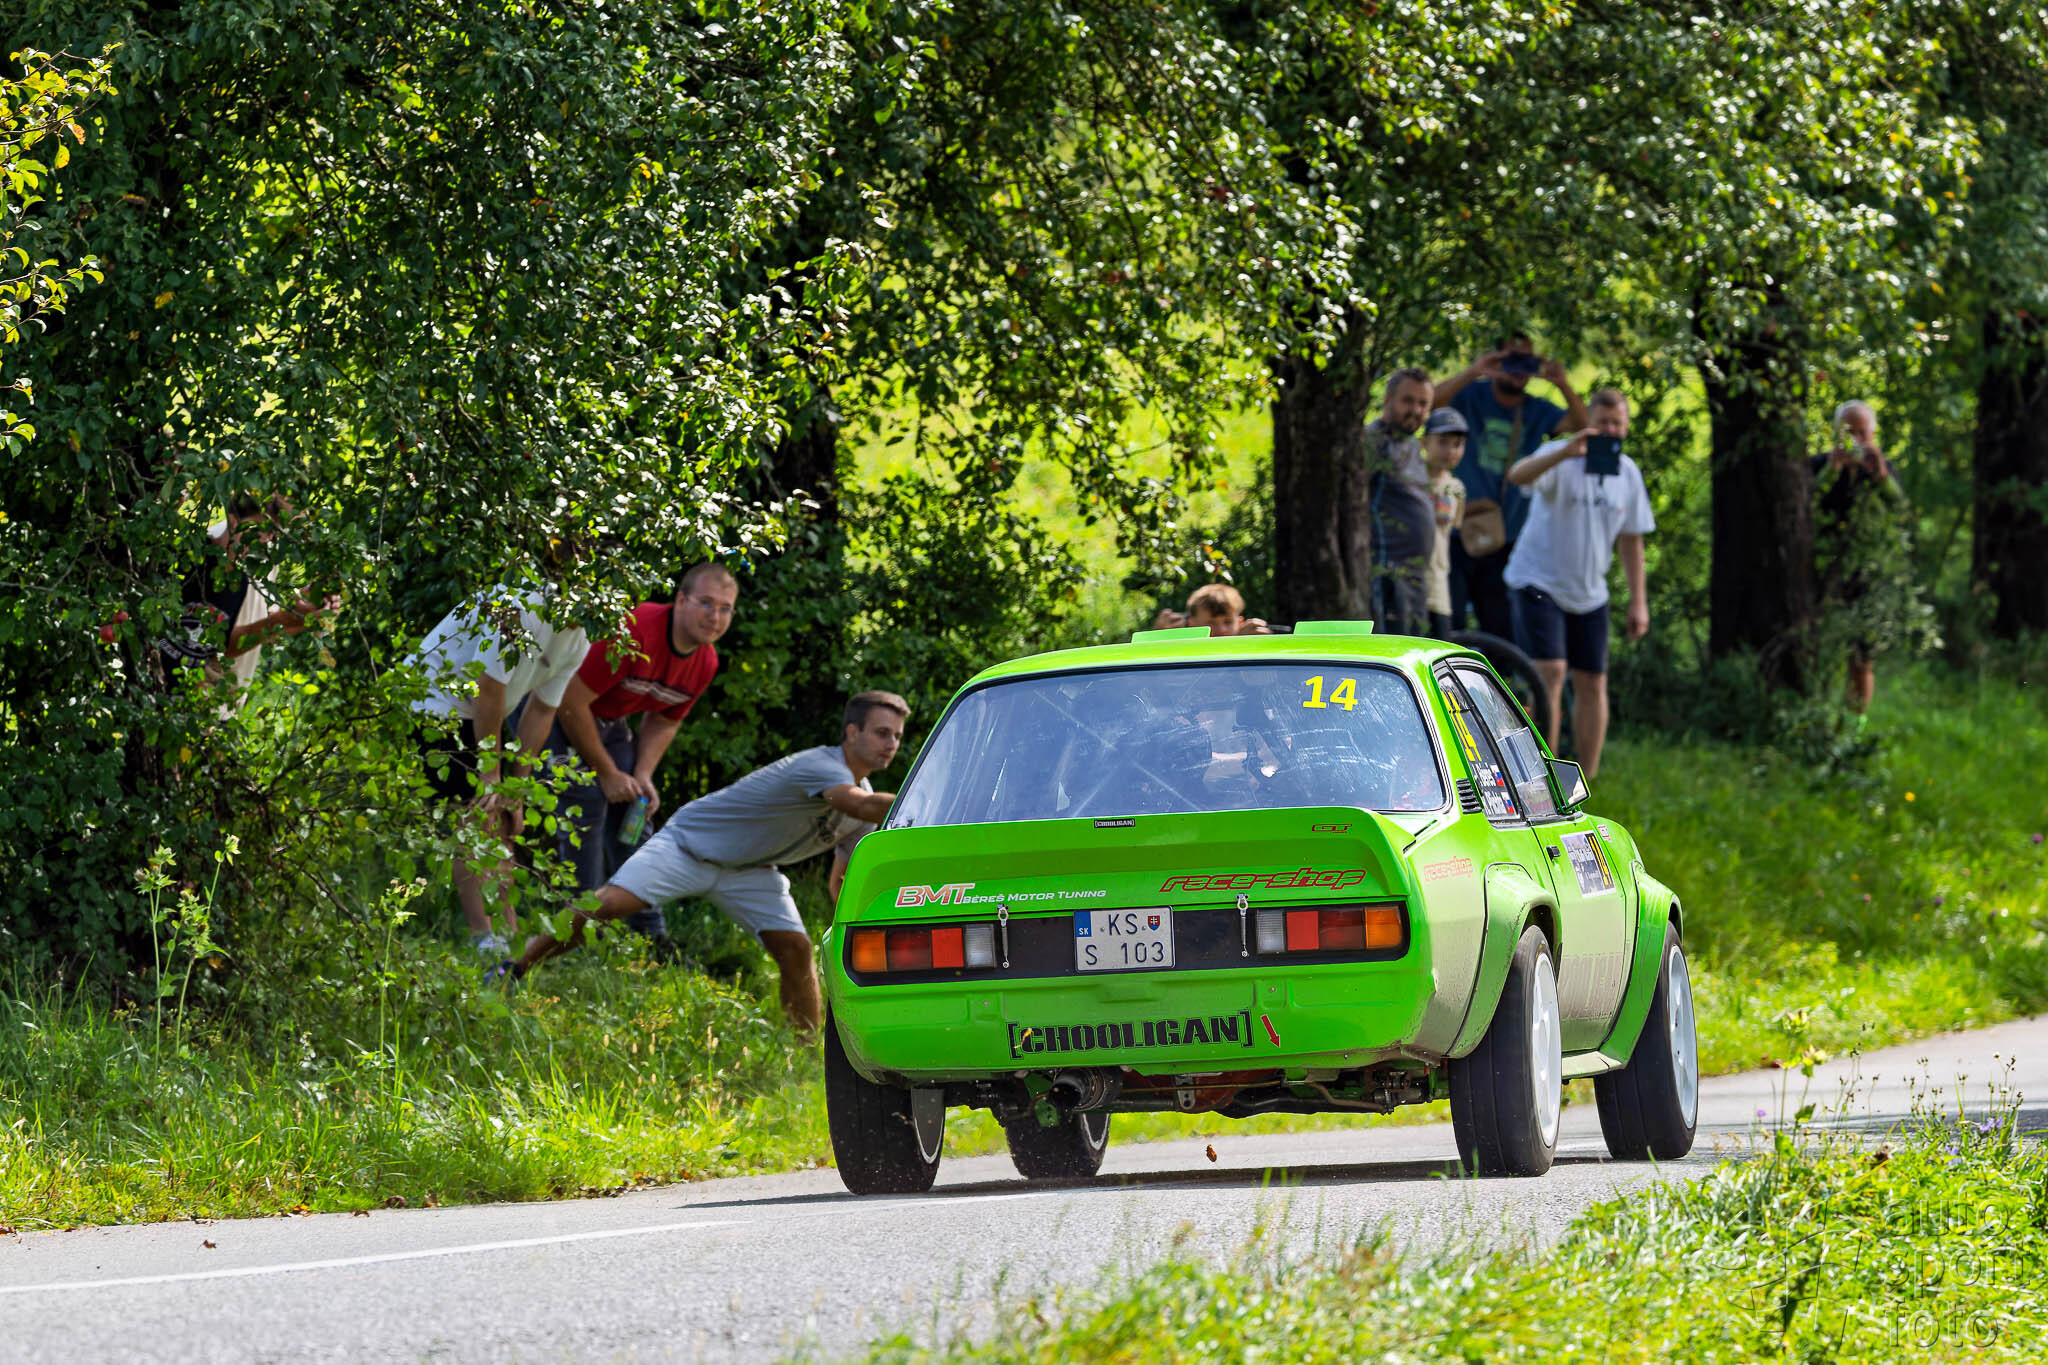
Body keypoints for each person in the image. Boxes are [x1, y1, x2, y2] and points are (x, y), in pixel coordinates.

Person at [505, 691, 910, 1034]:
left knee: (796, 949)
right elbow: (857, 804)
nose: (891, 743)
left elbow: (841, 883)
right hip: (688, 846)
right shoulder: (822, 766)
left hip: (752, 871)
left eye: (896, 736)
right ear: (851, 732)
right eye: (881, 732)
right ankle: (513, 969)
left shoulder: (867, 802)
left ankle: (805, 1050)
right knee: (608, 904)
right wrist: (919, 804)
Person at [547, 562, 738, 943]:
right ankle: (574, 932)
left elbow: (665, 720)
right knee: (586, 802)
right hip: (552, 709)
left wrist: (643, 773)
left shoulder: (706, 661)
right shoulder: (636, 631)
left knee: (636, 809)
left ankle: (649, 935)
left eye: (725, 608)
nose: (714, 617)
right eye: (705, 603)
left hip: (609, 720)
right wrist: (607, 773)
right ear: (680, 600)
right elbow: (570, 701)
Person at [410, 583, 592, 958]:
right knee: (477, 818)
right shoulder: (523, 607)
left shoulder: (583, 637)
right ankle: (485, 940)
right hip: (435, 700)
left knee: (502, 820)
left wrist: (516, 790)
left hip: (478, 708)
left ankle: (507, 937)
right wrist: (490, 775)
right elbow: (488, 689)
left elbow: (542, 709)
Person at [1501, 388, 1654, 780]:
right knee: (1550, 672)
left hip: (1589, 592)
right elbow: (1517, 475)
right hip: (1538, 579)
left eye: (1617, 424)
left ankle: (1585, 779)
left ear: (1626, 427)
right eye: (1603, 422)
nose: (1610, 430)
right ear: (1589, 421)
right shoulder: (1561, 455)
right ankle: (1543, 778)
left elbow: (1632, 539)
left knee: (1592, 681)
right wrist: (1564, 452)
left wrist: (1639, 602)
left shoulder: (1627, 472)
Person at [1433, 333, 1590, 639]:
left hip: (1508, 537)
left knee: (1501, 630)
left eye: (1526, 361)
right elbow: (1432, 405)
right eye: (1511, 360)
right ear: (1497, 360)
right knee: (1449, 625)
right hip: (1458, 532)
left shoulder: (1537, 410)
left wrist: (1562, 383)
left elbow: (1584, 429)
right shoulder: (1471, 395)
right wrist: (1474, 371)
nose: (1519, 370)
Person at [162, 493, 334, 714]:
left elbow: (242, 639)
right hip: (160, 697)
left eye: (273, 535)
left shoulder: (252, 570)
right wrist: (285, 620)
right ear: (233, 521)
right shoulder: (189, 555)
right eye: (261, 530)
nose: (266, 541)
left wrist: (301, 614)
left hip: (206, 712)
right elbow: (230, 645)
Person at [1810, 400, 1905, 714]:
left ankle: (1853, 725)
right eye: (1849, 432)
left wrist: (1880, 475)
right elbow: (1807, 505)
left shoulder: (1881, 468)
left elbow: (1900, 509)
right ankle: (1817, 719)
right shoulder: (1817, 465)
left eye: (1862, 433)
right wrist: (1832, 471)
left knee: (1861, 658)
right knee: (1816, 649)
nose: (1856, 440)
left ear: (1873, 433)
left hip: (1866, 573)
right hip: (1822, 571)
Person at [1361, 367, 1437, 636]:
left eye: (1423, 404)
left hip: (1414, 577)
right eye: (1408, 401)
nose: (1416, 410)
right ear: (1387, 400)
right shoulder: (1374, 441)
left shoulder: (1411, 442)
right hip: (1387, 576)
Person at [1421, 409, 1469, 639]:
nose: (1450, 451)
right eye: (1442, 442)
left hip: (1439, 585)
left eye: (1457, 444)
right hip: (1408, 583)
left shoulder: (1456, 488)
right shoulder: (1410, 479)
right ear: (1424, 443)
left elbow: (1452, 528)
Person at [1150, 583, 1271, 636]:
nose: (1221, 630)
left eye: (1228, 622)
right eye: (1211, 623)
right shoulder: (1183, 655)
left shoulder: (1249, 650)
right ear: (1191, 624)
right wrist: (1157, 637)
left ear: (1240, 623)